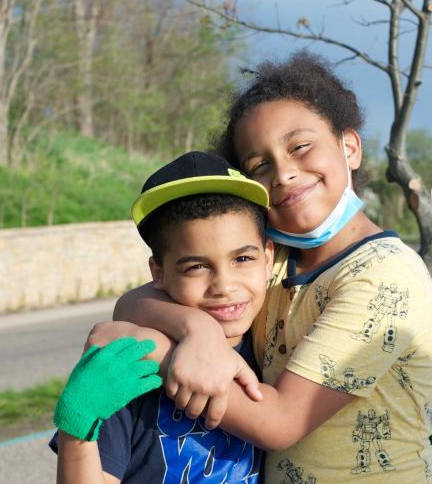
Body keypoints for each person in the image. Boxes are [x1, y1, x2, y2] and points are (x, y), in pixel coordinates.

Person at [95, 51, 432, 482]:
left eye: (300, 147)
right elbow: (132, 304)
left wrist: (161, 354)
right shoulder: (271, 260)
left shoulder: (385, 276)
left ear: (349, 147)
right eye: (259, 165)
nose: (283, 173)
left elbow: (280, 423)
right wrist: (196, 331)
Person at [50, 151, 274, 483]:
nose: (224, 286)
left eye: (242, 258)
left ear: (268, 258)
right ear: (158, 272)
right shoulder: (129, 368)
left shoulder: (275, 346)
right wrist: (76, 425)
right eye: (197, 266)